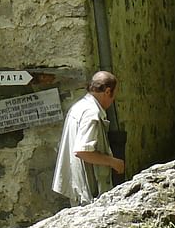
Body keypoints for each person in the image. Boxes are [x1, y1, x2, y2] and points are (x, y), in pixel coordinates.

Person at [51, 71, 125, 207]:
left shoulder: (79, 107)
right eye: (115, 93)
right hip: (89, 194)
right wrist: (113, 162)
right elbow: (83, 151)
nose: (113, 99)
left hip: (78, 188)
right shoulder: (92, 113)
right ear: (108, 91)